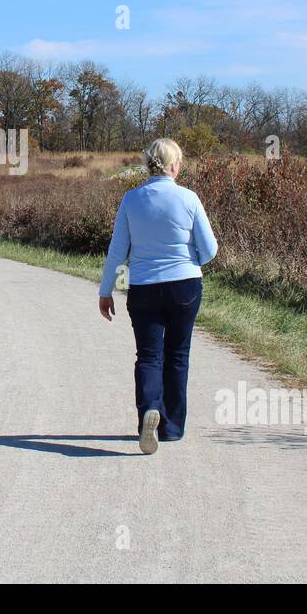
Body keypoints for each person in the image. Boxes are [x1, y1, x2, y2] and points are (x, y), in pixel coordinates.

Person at [98, 138, 217, 455]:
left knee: (149, 356)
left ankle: (150, 408)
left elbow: (117, 252)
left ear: (148, 165)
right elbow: (210, 250)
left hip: (144, 286)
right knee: (178, 355)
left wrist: (105, 290)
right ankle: (172, 428)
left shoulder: (131, 199)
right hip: (184, 286)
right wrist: (190, 259)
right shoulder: (189, 198)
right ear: (176, 166)